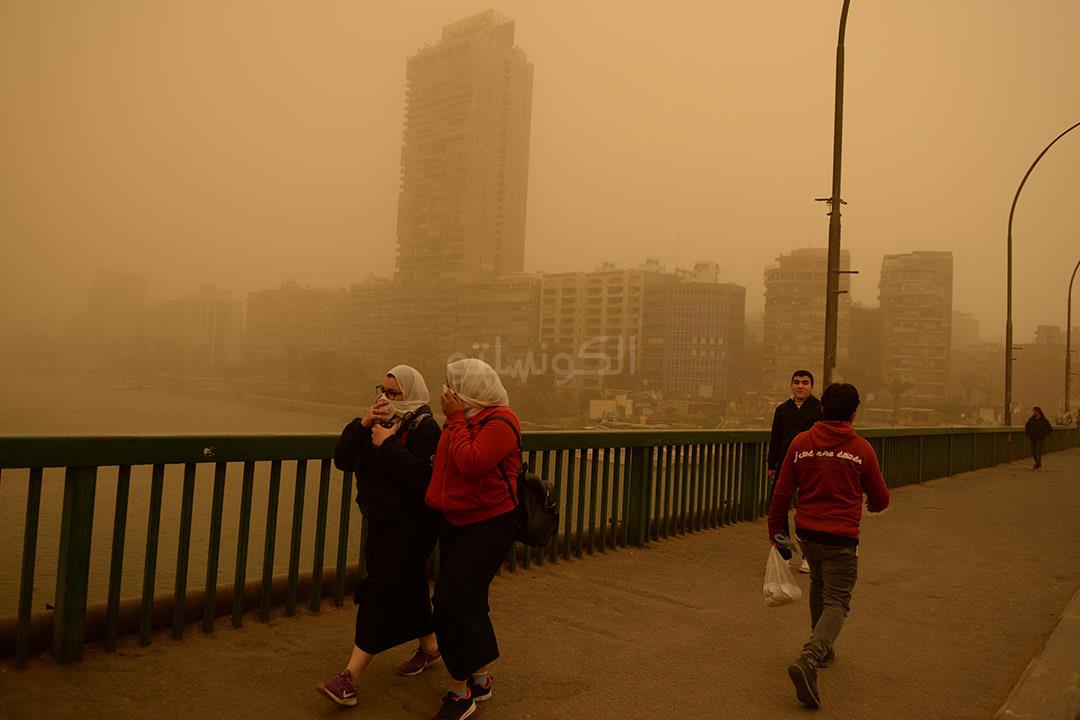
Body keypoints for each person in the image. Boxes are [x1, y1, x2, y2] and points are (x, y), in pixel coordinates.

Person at [316, 365, 442, 707]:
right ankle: (431, 647)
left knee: (379, 593)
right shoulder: (378, 423)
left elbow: (422, 477)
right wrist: (363, 425)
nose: (383, 398)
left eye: (392, 393)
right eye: (381, 390)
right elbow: (342, 459)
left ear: (411, 395)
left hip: (413, 526)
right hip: (381, 521)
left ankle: (350, 679)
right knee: (411, 584)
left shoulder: (425, 427)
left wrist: (387, 445)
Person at [767, 382, 890, 709]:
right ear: (853, 413)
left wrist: (775, 532)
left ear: (823, 409)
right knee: (838, 600)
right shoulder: (861, 448)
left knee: (820, 586)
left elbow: (781, 492)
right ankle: (811, 656)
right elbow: (881, 497)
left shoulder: (801, 442)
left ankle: (823, 646)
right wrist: (873, 506)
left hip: (807, 533)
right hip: (841, 537)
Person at [424, 358, 522, 720]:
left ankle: (458, 691)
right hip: (457, 520)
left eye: (455, 385)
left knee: (449, 603)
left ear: (473, 389)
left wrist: (453, 419)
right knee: (470, 599)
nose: (448, 392)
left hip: (491, 522)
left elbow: (472, 463)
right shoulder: (467, 419)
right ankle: (479, 678)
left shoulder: (502, 420)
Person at [767, 370, 824, 573]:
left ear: (812, 386)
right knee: (778, 509)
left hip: (811, 467)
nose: (800, 386)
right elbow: (775, 438)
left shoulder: (819, 410)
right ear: (791, 385)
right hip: (784, 466)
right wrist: (771, 464)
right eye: (796, 382)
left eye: (805, 382)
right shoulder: (782, 410)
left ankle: (808, 556)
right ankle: (784, 554)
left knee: (808, 511)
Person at [1024, 406, 1052, 470]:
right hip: (1033, 438)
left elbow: (1049, 429)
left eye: (1034, 411)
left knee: (1038, 451)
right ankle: (1038, 463)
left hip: (1040, 438)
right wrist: (1028, 433)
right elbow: (1027, 426)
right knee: (1033, 452)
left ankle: (1037, 465)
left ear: (1038, 412)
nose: (1033, 412)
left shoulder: (1044, 420)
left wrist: (1043, 434)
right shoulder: (1031, 419)